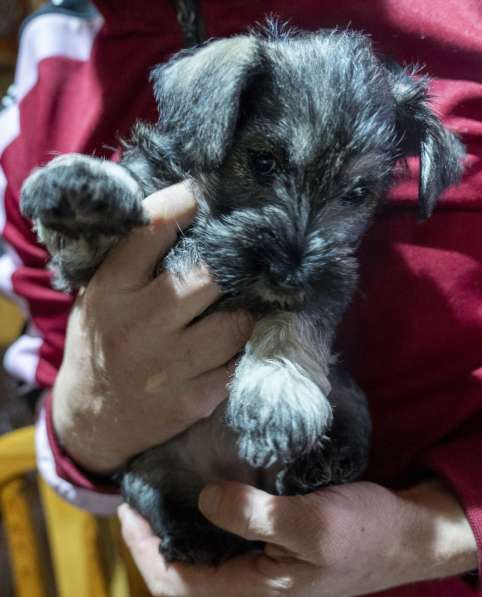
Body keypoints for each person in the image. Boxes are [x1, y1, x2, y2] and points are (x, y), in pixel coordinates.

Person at [1, 0, 480, 595]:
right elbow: (56, 374)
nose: (297, 253)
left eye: (357, 193)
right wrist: (88, 405)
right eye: (262, 162)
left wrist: (428, 538)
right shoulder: (57, 59)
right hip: (178, 523)